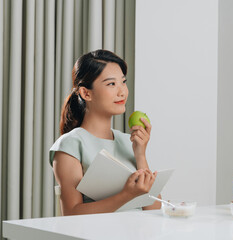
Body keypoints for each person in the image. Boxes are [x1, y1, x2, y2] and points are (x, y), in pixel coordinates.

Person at [49, 49, 160, 215]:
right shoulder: (71, 144)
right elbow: (71, 213)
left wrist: (140, 155)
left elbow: (154, 209)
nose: (122, 91)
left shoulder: (128, 140)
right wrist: (126, 195)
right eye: (111, 84)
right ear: (86, 93)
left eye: (123, 82)